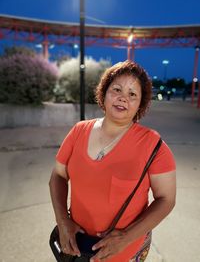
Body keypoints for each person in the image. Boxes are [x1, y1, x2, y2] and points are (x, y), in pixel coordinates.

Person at [49, 60, 176, 262]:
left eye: (132, 94)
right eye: (116, 89)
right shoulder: (78, 131)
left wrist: (127, 237)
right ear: (104, 92)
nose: (122, 98)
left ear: (141, 103)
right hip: (77, 246)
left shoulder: (154, 146)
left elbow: (166, 199)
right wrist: (63, 221)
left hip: (125, 252)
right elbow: (58, 175)